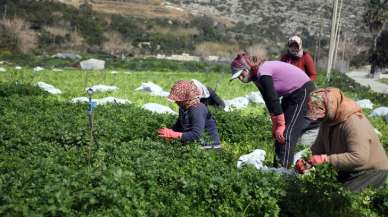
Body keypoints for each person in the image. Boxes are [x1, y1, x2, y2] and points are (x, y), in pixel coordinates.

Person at [230, 52, 315, 168]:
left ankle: (283, 172)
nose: (240, 78)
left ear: (248, 67)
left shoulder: (263, 72)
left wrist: (280, 124)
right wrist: (276, 124)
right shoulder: (256, 77)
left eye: (241, 73)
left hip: (303, 91)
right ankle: (277, 168)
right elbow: (268, 100)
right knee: (279, 134)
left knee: (287, 134)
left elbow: (273, 98)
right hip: (289, 95)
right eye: (237, 77)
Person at [295, 88, 388, 192]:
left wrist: (325, 159)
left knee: (340, 199)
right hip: (349, 168)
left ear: (330, 107)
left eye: (320, 112)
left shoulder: (354, 123)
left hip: (371, 171)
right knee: (323, 192)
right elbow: (318, 148)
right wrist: (306, 162)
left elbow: (359, 157)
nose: (317, 118)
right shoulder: (328, 121)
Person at [158, 80, 222, 150]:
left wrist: (175, 135)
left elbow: (197, 134)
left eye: (178, 100)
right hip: (195, 146)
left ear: (186, 98)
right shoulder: (183, 109)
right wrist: (168, 133)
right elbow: (177, 128)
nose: (176, 102)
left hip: (209, 147)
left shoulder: (197, 109)